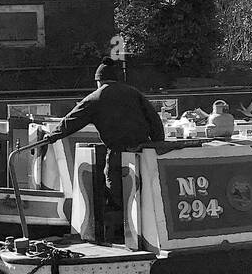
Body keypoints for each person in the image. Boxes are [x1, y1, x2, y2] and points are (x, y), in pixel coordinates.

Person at [41, 58, 165, 208]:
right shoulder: (134, 93)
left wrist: (52, 136)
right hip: (144, 150)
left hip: (118, 153)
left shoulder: (96, 98)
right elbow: (155, 120)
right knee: (145, 191)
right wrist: (158, 143)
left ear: (98, 81)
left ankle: (120, 222)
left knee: (116, 192)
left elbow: (72, 120)